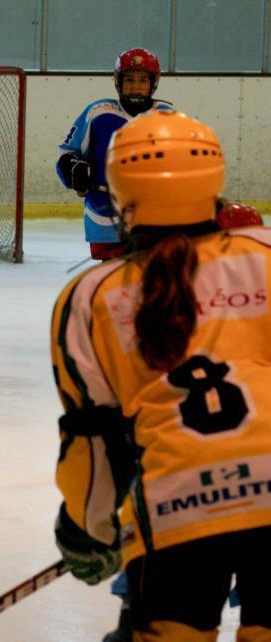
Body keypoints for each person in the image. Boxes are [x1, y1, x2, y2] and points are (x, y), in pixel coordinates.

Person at [51, 109, 271, 642]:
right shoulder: (265, 254)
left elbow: (95, 445)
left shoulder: (92, 297)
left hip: (177, 509)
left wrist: (89, 529)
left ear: (121, 193)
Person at [57, 48, 172, 261]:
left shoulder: (167, 116)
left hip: (155, 214)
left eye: (142, 80)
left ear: (153, 83)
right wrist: (73, 169)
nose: (135, 87)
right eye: (129, 80)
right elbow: (68, 152)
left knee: (150, 273)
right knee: (112, 274)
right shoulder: (99, 112)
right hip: (104, 212)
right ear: (118, 82)